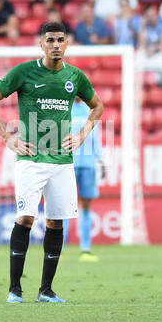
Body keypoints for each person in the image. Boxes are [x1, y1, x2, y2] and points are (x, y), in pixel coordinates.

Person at [0, 21, 104, 304]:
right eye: (50, 40)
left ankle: (46, 290)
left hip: (62, 161)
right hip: (31, 159)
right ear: (41, 44)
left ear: (67, 43)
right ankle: (15, 290)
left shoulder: (76, 76)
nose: (56, 44)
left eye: (60, 39)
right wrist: (6, 138)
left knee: (56, 222)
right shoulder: (24, 72)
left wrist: (82, 136)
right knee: (25, 218)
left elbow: (98, 106)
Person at [63, 96, 104, 262]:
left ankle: (85, 249)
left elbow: (96, 136)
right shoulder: (64, 107)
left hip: (88, 164)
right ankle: (60, 248)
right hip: (68, 163)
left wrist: (100, 159)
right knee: (64, 206)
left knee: (86, 205)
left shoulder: (91, 109)